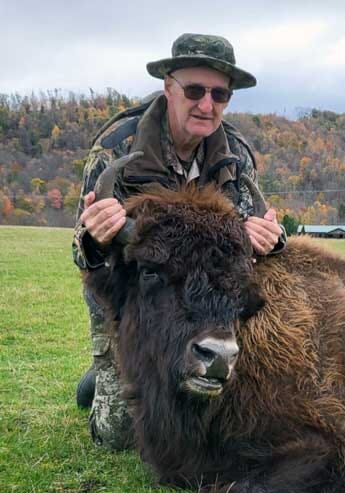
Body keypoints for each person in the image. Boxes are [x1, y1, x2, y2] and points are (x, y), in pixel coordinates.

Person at [72, 33, 285, 450]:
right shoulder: (117, 147)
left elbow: (252, 231)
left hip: (207, 305)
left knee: (238, 409)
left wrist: (269, 239)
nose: (207, 105)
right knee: (118, 435)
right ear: (169, 87)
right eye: (194, 90)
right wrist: (97, 236)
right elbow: (84, 251)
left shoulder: (236, 155)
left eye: (219, 94)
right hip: (139, 298)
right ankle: (109, 369)